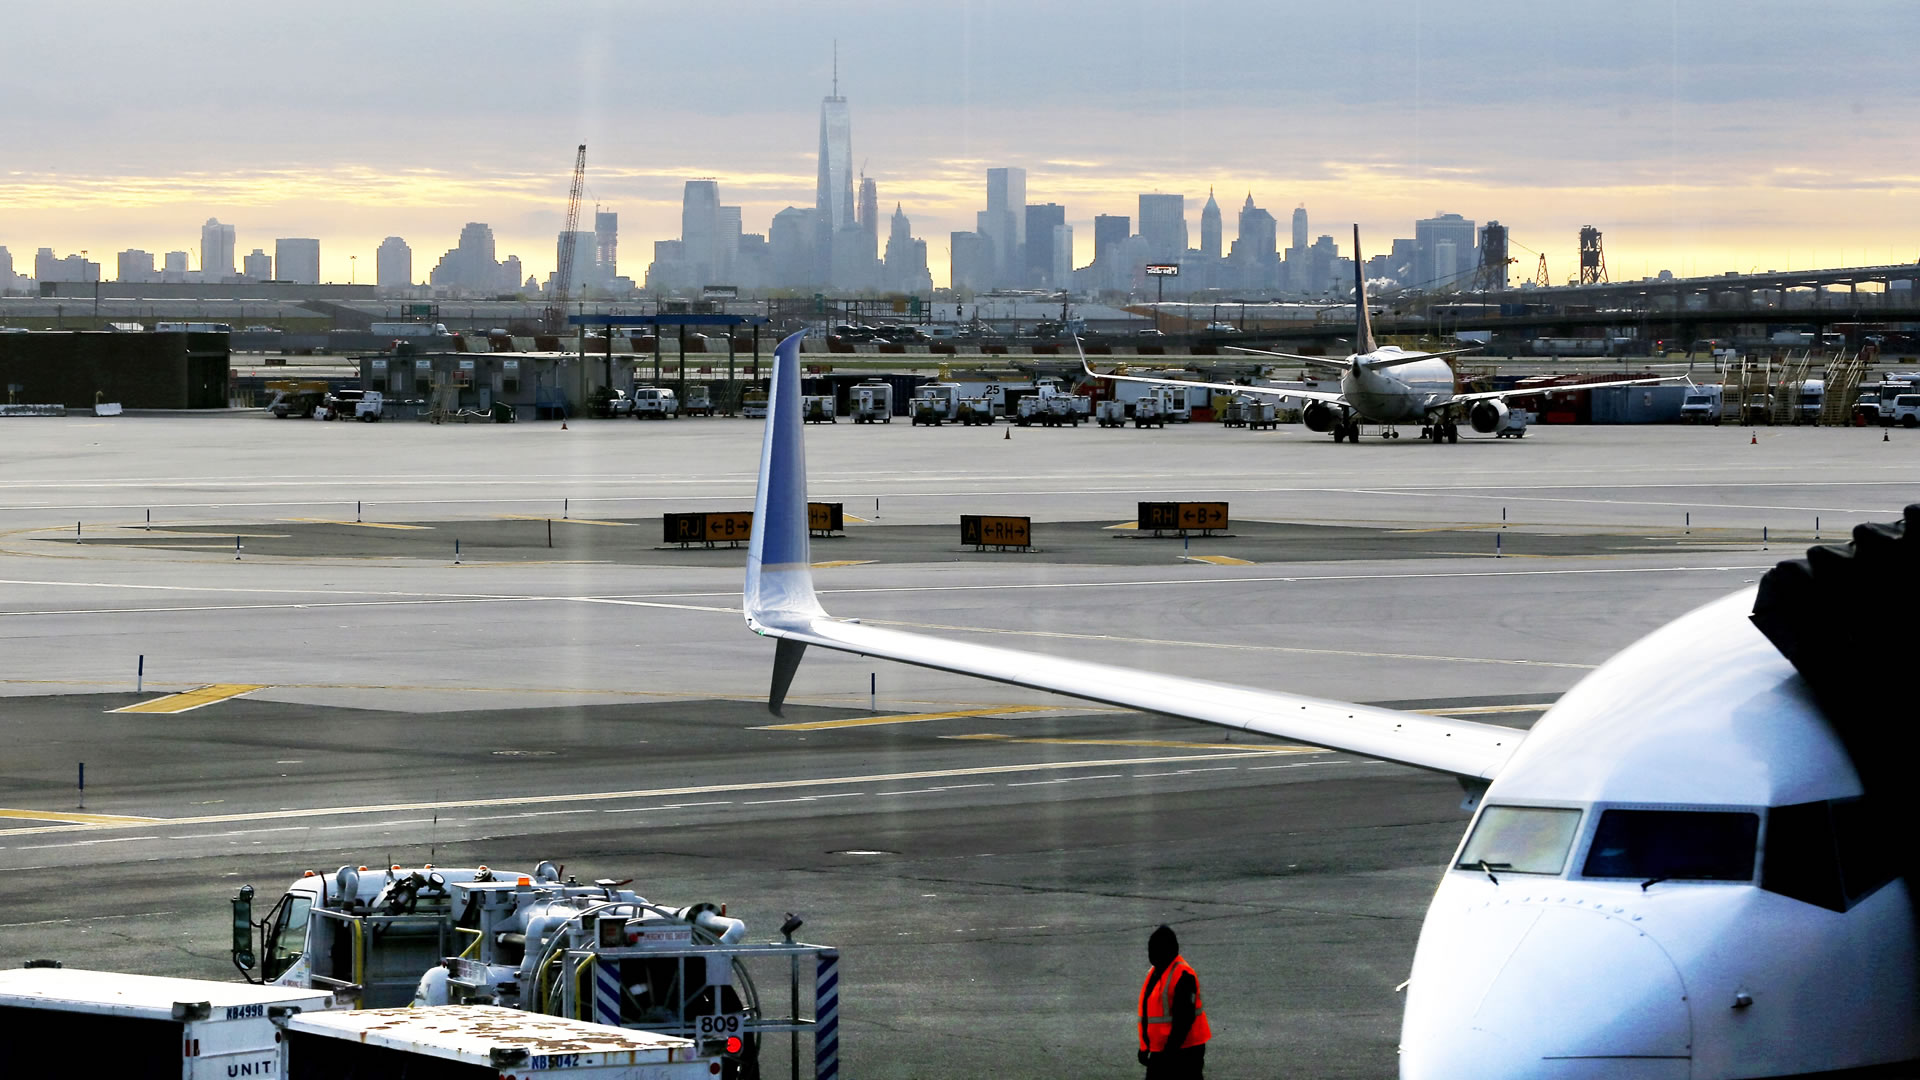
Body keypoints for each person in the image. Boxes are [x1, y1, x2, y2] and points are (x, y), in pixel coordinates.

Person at [1137, 924, 1211, 1078]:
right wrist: (1145, 1047)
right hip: (1163, 1051)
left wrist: (1167, 1054)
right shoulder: (1156, 971)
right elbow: (1147, 1012)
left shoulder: (1183, 975)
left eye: (1154, 951)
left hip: (1185, 1051)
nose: (1150, 956)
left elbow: (1184, 1021)